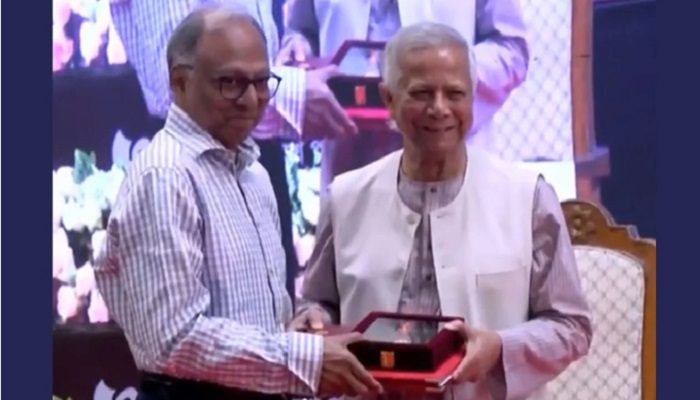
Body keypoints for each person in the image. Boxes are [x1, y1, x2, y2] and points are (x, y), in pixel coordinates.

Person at [291, 22, 592, 400]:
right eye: (421, 93)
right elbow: (318, 303)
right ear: (388, 99)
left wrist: (500, 347)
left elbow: (571, 326)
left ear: (473, 98)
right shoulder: (346, 197)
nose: (439, 108)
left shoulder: (527, 196)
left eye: (455, 93)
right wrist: (313, 321)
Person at [94, 5, 381, 400]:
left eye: (262, 82)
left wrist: (298, 325)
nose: (250, 99)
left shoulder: (254, 173)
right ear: (179, 81)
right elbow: (174, 339)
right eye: (230, 83)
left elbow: (255, 320)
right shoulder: (164, 177)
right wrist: (304, 359)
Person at [108, 0, 357, 299]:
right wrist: (286, 91)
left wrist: (282, 58)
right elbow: (177, 84)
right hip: (192, 158)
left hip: (256, 156)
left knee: (271, 312)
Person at [279, 0, 530, 191]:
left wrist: (445, 77)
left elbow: (512, 48)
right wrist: (298, 51)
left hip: (448, 166)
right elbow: (300, 30)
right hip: (350, 166)